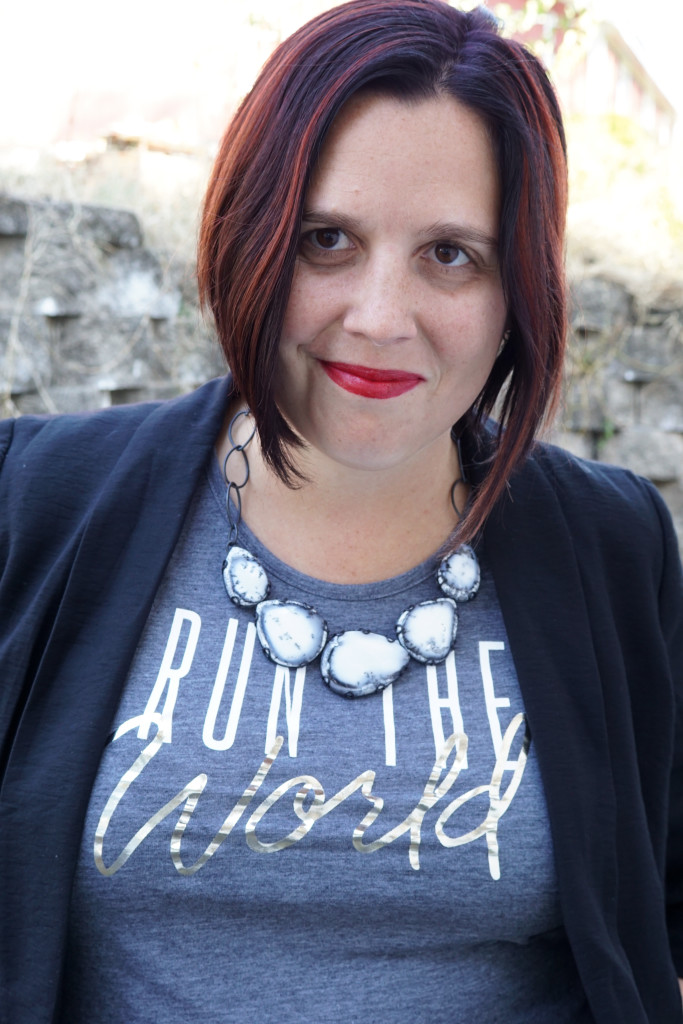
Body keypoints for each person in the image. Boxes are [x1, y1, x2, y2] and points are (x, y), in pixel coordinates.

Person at [1, 1, 681, 1021]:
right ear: (249, 233)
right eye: (326, 239)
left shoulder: (614, 549)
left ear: (517, 293)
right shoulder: (35, 504)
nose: (376, 317)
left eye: (449, 253)